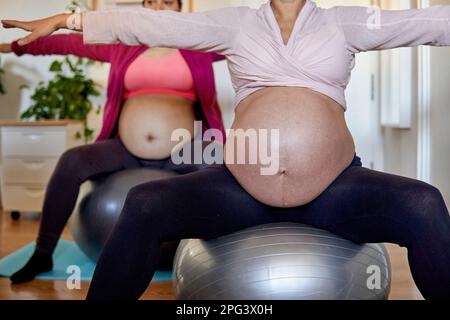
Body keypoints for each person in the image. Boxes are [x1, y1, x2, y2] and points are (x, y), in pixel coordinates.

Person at [3, 0, 450, 299]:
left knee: (424, 203)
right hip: (240, 189)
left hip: (334, 187)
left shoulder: (344, 22)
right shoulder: (235, 23)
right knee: (144, 203)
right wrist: (70, 20)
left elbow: (426, 24)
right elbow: (156, 23)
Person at [0, 0, 227, 284]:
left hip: (184, 149)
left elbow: (244, 43)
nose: (157, 8)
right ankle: (43, 252)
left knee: (220, 162)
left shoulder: (198, 48)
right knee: (71, 161)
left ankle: (219, 261)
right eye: (150, 2)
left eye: (166, 1)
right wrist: (19, 47)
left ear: (180, 9)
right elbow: (69, 44)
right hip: (125, 149)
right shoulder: (122, 45)